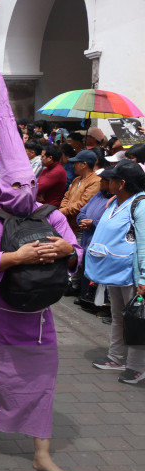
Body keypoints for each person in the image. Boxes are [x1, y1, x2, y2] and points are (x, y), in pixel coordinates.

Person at [0, 71, 81, 471]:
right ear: (2, 183)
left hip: (37, 320)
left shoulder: (53, 215)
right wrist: (15, 256)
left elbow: (76, 254)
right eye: (16, 183)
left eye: (29, 182)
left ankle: (41, 453)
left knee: (41, 380)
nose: (24, 189)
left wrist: (66, 249)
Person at [86, 160, 145, 384]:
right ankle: (117, 358)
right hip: (114, 272)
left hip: (133, 276)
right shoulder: (115, 202)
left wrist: (143, 278)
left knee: (137, 321)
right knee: (119, 316)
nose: (105, 182)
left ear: (121, 183)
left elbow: (144, 244)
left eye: (110, 180)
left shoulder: (140, 205)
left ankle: (137, 366)